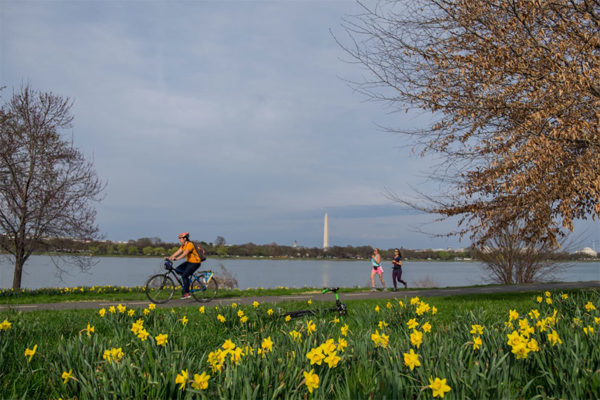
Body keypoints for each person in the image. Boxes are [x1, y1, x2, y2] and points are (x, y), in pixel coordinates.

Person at [167, 232, 201, 299]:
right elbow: (177, 252)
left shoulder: (190, 244)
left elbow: (185, 253)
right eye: (179, 238)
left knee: (184, 276)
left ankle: (187, 293)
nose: (179, 240)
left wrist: (176, 259)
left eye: (180, 238)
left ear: (185, 238)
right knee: (177, 269)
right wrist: (169, 257)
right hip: (189, 262)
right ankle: (187, 281)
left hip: (195, 263)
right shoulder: (183, 245)